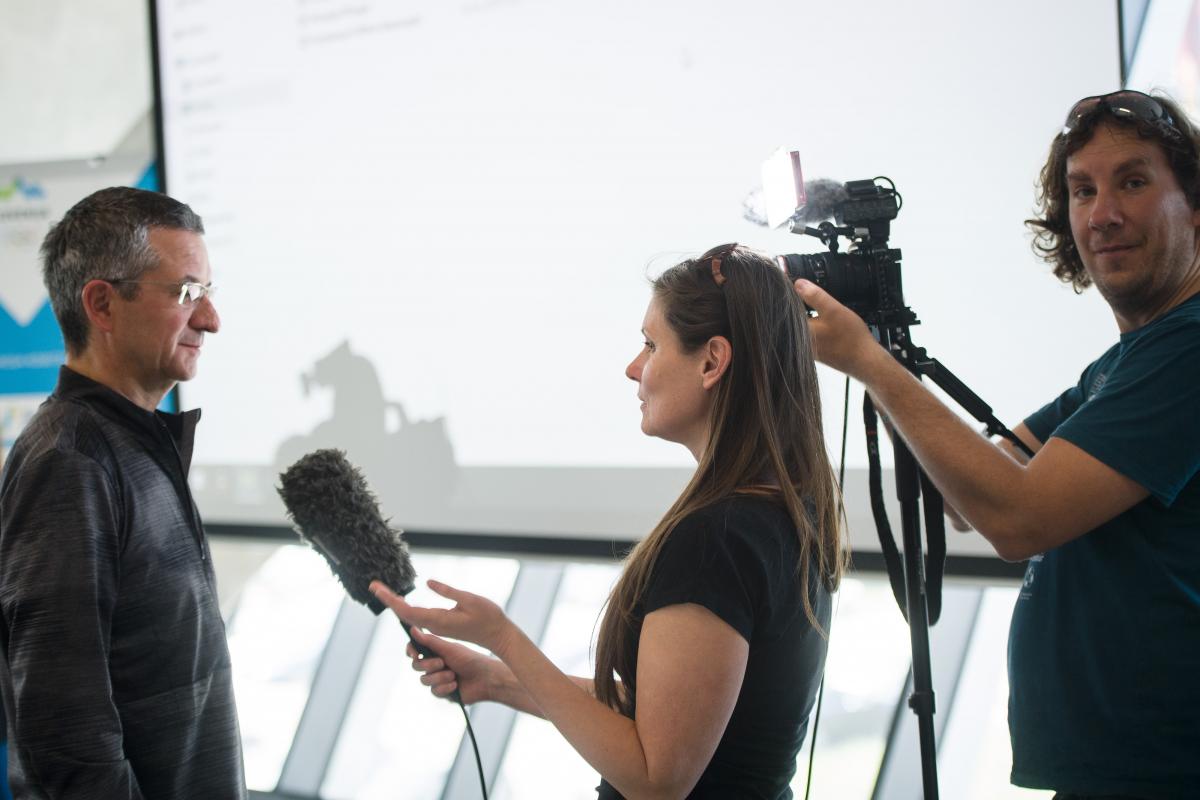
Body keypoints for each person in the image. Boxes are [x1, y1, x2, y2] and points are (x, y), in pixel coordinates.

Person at [795, 90, 1200, 799]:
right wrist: (883, 351)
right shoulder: (1120, 367)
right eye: (1082, 190)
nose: (1102, 214)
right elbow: (970, 498)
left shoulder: (1188, 350)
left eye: (1133, 182)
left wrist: (871, 364)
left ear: (1194, 205)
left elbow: (1018, 518)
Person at [371, 244, 844, 798]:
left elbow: (657, 780)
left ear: (712, 362)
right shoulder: (783, 515)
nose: (633, 368)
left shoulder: (717, 539)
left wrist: (503, 638)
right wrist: (497, 679)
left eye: (651, 344)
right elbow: (680, 717)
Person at [0, 187, 246, 798]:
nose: (210, 319)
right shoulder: (70, 463)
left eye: (208, 292)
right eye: (186, 293)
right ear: (103, 305)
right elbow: (65, 735)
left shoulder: (132, 442)